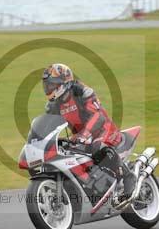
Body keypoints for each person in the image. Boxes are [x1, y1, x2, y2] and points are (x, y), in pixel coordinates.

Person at [42, 63, 136, 198]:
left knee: (97, 147)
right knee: (63, 151)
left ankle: (127, 176)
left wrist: (85, 134)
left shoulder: (82, 91)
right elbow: (47, 125)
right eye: (46, 86)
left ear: (62, 83)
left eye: (51, 85)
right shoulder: (53, 105)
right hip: (81, 137)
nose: (48, 89)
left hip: (104, 131)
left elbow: (98, 117)